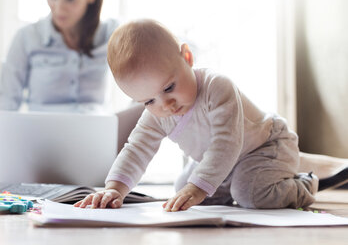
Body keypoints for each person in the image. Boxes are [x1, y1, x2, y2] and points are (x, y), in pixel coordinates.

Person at [74, 19, 348, 212]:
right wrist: (115, 188)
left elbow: (225, 144)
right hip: (224, 162)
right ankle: (226, 186)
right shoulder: (157, 112)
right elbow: (137, 148)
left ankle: (305, 183)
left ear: (187, 57)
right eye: (148, 100)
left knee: (248, 193)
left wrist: (199, 187)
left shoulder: (217, 87)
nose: (165, 104)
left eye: (169, 87)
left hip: (265, 146)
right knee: (184, 188)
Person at [0, 0, 117, 113]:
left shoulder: (111, 33)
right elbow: (7, 102)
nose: (59, 9)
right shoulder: (26, 37)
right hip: (41, 130)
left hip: (95, 128)